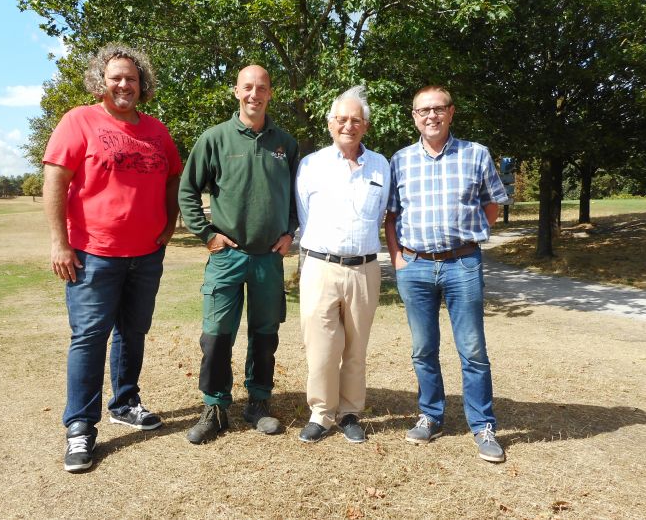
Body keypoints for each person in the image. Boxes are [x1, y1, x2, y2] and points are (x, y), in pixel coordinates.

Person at [42, 43, 181, 472]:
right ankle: (80, 427)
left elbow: (173, 177)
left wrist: (170, 222)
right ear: (101, 81)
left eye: (132, 79)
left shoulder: (157, 130)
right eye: (116, 77)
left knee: (132, 333)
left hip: (146, 255)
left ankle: (125, 402)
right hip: (93, 254)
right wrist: (59, 242)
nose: (124, 85)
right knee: (89, 338)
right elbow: (55, 179)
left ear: (143, 85)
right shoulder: (79, 120)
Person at [385, 85, 508, 463]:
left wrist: (469, 236)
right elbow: (392, 216)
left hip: (462, 264)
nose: (431, 116)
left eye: (438, 109)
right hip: (415, 265)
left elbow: (492, 204)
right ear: (414, 117)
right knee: (423, 348)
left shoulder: (476, 154)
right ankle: (431, 415)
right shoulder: (400, 160)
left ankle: (482, 425)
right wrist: (397, 259)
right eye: (423, 111)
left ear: (451, 112)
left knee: (472, 350)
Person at [178, 65, 299, 444]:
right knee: (216, 336)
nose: (254, 94)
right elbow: (187, 190)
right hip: (227, 258)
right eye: (247, 87)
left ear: (270, 93)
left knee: (265, 335)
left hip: (268, 258)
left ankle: (258, 403)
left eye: (261, 88)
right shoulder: (215, 139)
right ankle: (215, 407)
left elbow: (299, 197)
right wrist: (206, 234)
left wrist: (290, 231)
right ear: (236, 91)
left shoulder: (286, 144)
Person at [295, 86, 390, 443]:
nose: (348, 125)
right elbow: (304, 215)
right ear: (330, 123)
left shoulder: (381, 165)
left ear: (366, 126)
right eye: (342, 119)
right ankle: (321, 414)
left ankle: (350, 413)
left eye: (356, 120)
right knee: (321, 348)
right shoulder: (311, 165)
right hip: (320, 267)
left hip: (364, 270)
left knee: (356, 348)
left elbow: (380, 215)